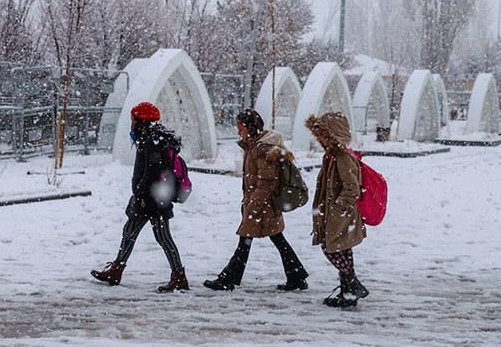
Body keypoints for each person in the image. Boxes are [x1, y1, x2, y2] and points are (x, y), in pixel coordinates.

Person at [204, 109, 309, 292]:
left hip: (263, 206)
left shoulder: (261, 150)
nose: (239, 133)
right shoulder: (254, 147)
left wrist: (253, 205)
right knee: (276, 239)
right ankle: (296, 275)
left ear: (250, 128)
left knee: (245, 241)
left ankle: (228, 279)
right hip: (263, 205)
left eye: (241, 128)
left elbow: (267, 182)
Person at [91, 102, 189, 292]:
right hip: (155, 197)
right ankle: (117, 270)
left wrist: (139, 191)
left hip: (152, 199)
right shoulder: (153, 137)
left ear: (141, 120)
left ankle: (178, 277)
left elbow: (152, 171)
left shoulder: (152, 140)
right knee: (132, 232)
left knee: (161, 237)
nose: (132, 123)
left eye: (134, 119)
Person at [305, 112, 370, 308]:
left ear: (332, 134)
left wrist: (336, 210)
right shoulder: (333, 155)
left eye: (321, 134)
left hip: (341, 215)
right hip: (338, 214)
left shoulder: (343, 157)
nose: (318, 139)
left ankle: (352, 286)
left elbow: (352, 188)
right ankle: (348, 292)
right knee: (343, 250)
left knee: (330, 248)